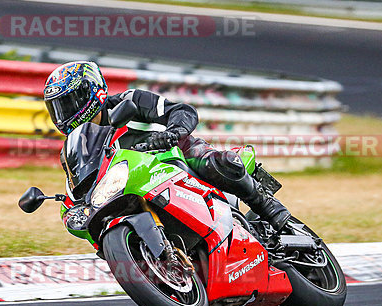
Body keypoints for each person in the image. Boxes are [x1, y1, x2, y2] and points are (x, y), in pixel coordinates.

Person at [43, 60, 290, 231]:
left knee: (219, 162)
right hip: (133, 184)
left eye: (69, 103)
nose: (66, 114)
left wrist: (173, 133)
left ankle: (267, 206)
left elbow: (182, 110)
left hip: (175, 156)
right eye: (58, 108)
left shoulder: (131, 100)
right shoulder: (74, 148)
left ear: (91, 91)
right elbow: (79, 182)